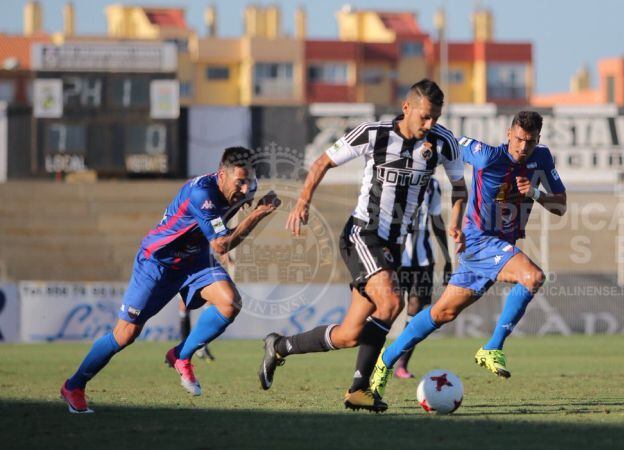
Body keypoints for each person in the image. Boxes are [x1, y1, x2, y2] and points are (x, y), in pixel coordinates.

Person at [258, 79, 467, 413]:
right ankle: (359, 388)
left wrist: (455, 220)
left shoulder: (443, 142)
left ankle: (280, 346)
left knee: (349, 334)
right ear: (407, 108)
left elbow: (460, 187)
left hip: (392, 248)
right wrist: (303, 202)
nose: (430, 125)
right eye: (425, 117)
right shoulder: (373, 133)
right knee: (391, 301)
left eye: (436, 118)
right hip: (362, 234)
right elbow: (322, 161)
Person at [60, 147, 280, 413]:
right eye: (240, 182)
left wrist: (251, 205)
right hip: (158, 262)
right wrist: (257, 214)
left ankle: (181, 355)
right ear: (222, 175)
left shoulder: (245, 187)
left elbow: (231, 221)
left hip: (195, 260)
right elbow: (222, 245)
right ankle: (74, 386)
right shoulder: (202, 194)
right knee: (126, 334)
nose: (246, 189)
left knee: (230, 303)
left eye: (249, 181)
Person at [371, 111, 567, 398]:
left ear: (539, 139)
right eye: (519, 139)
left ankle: (385, 361)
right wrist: (424, 143)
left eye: (531, 141)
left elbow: (560, 206)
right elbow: (445, 138)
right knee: (532, 276)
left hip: (497, 246)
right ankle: (492, 347)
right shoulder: (486, 156)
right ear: (508, 133)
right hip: (479, 241)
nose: (523, 147)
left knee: (442, 312)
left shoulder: (542, 158)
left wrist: (535, 194)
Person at [394, 177, 451, 379]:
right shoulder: (399, 179)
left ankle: (401, 364)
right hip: (396, 258)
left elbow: (437, 221)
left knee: (416, 311)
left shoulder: (433, 185)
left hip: (424, 261)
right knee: (389, 308)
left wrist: (447, 258)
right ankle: (377, 359)